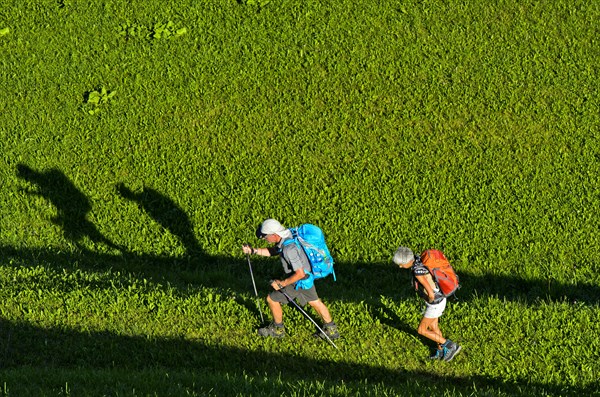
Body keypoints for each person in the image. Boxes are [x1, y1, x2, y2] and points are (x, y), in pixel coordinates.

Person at [242, 218, 340, 340]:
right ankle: (331, 330)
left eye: (265, 237)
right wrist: (253, 251)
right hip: (307, 278)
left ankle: (278, 330)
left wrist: (282, 284)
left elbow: (299, 273)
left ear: (274, 235)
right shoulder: (288, 235)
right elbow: (274, 251)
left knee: (272, 299)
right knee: (315, 302)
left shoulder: (289, 249)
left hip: (299, 281)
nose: (265, 239)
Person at [393, 246, 462, 361]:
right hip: (441, 299)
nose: (400, 266)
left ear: (407, 262)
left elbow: (430, 293)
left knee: (422, 330)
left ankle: (450, 345)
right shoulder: (419, 260)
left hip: (435, 303)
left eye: (401, 264)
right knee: (433, 326)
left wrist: (430, 302)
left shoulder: (417, 271)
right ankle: (440, 350)